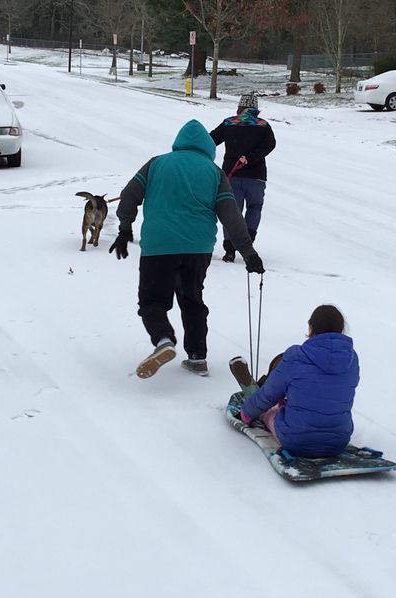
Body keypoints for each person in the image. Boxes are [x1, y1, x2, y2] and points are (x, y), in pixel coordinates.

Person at [110, 119, 266, 379]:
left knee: (152, 301)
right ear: (207, 145)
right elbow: (232, 215)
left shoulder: (156, 163)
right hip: (197, 249)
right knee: (192, 299)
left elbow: (129, 195)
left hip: (159, 246)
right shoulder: (213, 172)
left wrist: (125, 228)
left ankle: (163, 340)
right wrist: (248, 253)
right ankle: (197, 357)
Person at [229, 304, 359, 458]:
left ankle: (260, 403)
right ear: (341, 329)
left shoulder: (297, 356)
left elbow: (268, 395)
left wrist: (246, 413)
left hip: (296, 440)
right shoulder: (351, 359)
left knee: (270, 410)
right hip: (338, 441)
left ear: (311, 328)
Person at [210, 93, 276, 264]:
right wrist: (251, 157)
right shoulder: (263, 125)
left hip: (232, 175)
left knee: (232, 210)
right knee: (255, 208)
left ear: (240, 107)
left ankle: (230, 250)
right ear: (255, 109)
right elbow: (270, 145)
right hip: (256, 177)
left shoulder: (229, 123)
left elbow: (210, 140)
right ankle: (248, 241)